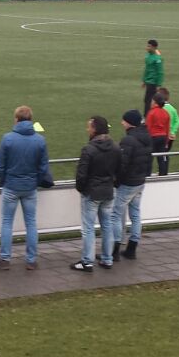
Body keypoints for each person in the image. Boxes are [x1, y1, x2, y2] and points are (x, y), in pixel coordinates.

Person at [0, 105, 52, 271]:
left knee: (7, 222)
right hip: (30, 187)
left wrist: (3, 180)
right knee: (31, 223)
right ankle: (31, 260)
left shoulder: (8, 139)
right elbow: (43, 167)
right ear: (30, 119)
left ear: (16, 119)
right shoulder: (40, 140)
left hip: (11, 185)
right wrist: (35, 181)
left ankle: (5, 258)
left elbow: (0, 164)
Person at [73, 115, 120, 272]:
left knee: (88, 228)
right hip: (108, 191)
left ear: (95, 129)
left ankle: (87, 261)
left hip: (92, 193)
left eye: (89, 127)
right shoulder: (115, 147)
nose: (87, 129)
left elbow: (81, 174)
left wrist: (82, 189)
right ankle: (107, 259)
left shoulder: (89, 149)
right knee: (107, 226)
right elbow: (120, 170)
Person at [114, 109, 152, 261]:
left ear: (130, 123)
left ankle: (114, 251)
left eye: (124, 120)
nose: (122, 123)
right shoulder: (146, 137)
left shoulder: (128, 140)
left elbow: (122, 165)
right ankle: (131, 249)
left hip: (128, 183)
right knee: (135, 214)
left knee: (116, 215)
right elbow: (148, 160)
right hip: (140, 181)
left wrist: (117, 181)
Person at [146, 94, 172, 178]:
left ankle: (148, 175)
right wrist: (167, 141)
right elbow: (167, 128)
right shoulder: (165, 113)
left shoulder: (151, 112)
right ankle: (162, 174)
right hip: (163, 137)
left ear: (154, 102)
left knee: (150, 157)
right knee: (161, 157)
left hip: (153, 137)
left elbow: (148, 127)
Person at [141, 39, 164, 115]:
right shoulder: (148, 56)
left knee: (149, 100)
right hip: (148, 81)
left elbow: (160, 72)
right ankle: (149, 115)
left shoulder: (157, 59)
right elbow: (147, 69)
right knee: (147, 100)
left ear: (154, 47)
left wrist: (158, 84)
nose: (147, 48)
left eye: (149, 46)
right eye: (147, 46)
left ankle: (147, 116)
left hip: (153, 83)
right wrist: (144, 80)